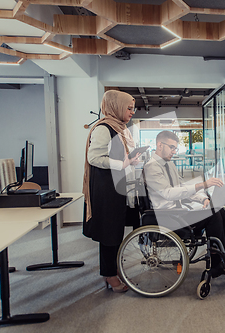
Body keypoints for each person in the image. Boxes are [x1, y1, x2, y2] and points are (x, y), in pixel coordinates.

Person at [143, 130, 225, 278]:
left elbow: (182, 187)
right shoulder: (152, 167)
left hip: (177, 211)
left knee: (219, 210)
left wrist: (202, 199)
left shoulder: (169, 164)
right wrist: (202, 185)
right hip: (168, 217)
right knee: (214, 215)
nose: (174, 151)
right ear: (160, 145)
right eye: (172, 147)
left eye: (175, 148)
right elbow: (168, 193)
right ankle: (218, 262)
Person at [82, 90, 141, 293]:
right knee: (109, 233)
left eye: (133, 108)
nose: (132, 111)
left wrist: (133, 159)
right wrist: (123, 162)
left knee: (115, 231)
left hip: (119, 186)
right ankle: (109, 275)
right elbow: (94, 158)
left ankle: (112, 269)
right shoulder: (103, 128)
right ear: (116, 107)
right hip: (107, 189)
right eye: (129, 107)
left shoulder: (121, 128)